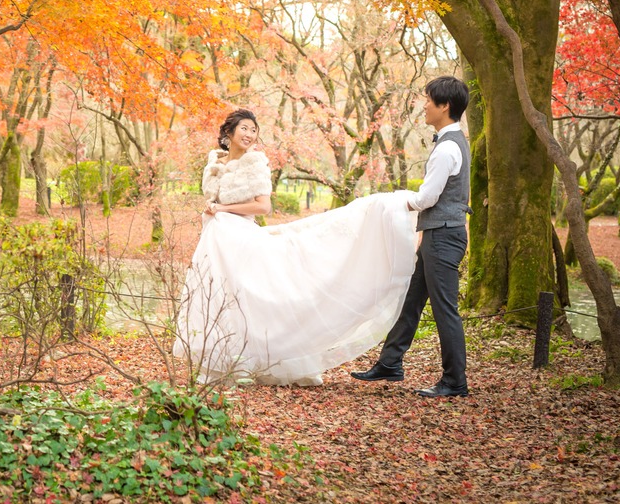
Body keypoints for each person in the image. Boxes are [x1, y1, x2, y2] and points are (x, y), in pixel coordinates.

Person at [173, 109, 420, 386]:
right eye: (244, 128)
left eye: (253, 130)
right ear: (228, 132)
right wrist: (211, 208)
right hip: (217, 240)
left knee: (254, 296)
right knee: (221, 296)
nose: (249, 134)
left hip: (241, 237)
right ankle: (227, 360)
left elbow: (262, 205)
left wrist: (223, 208)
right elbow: (213, 200)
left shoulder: (255, 164)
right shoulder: (214, 165)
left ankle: (270, 356)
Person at [351, 76, 471, 397]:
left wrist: (399, 202)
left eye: (430, 100)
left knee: (445, 309)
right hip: (437, 234)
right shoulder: (451, 141)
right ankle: (390, 363)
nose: (425, 105)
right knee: (411, 299)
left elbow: (428, 197)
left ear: (445, 106)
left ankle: (454, 381)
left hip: (444, 237)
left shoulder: (447, 148)